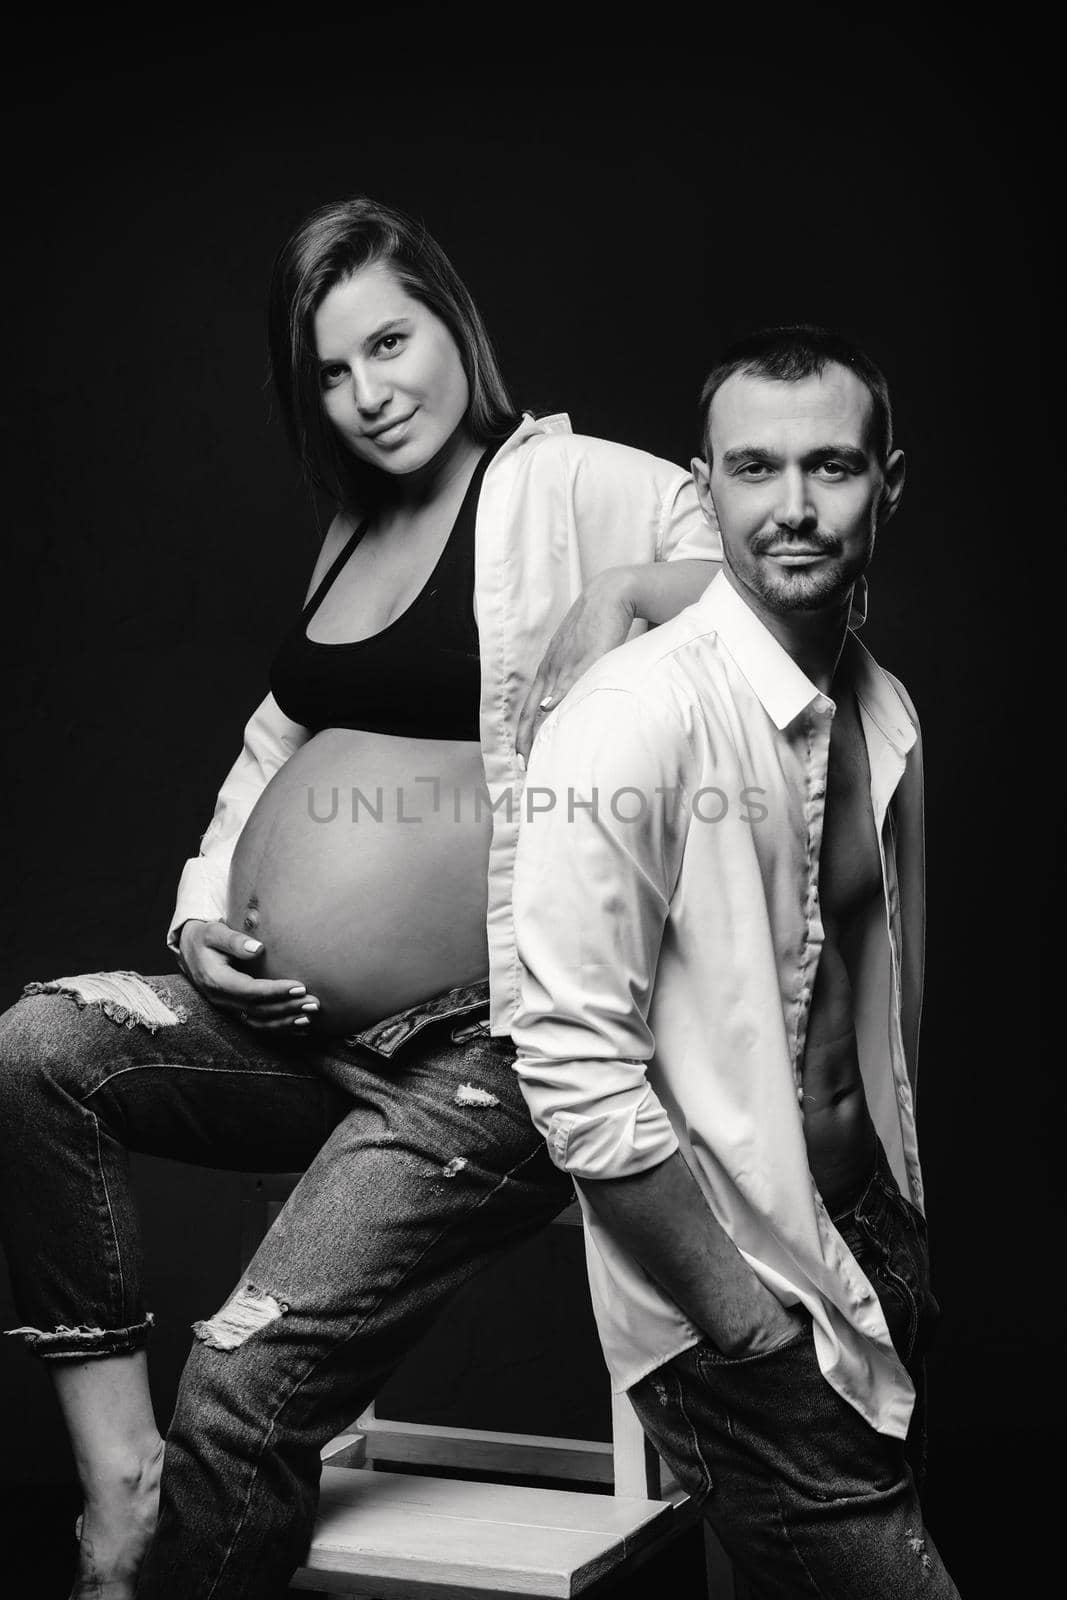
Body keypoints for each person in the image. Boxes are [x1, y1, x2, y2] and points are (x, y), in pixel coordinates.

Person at [0, 196, 722, 1600]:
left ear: (452, 320)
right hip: (298, 1038)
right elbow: (274, 747)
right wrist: (207, 915)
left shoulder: (563, 487)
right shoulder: (347, 534)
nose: (366, 394)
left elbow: (761, 587)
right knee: (33, 1052)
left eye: (388, 342)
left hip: (486, 1056)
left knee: (242, 1384)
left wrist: (627, 588)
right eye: (329, 371)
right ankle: (116, 1478)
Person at [512, 326, 960, 1596]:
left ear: (888, 482)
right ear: (701, 494)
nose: (796, 507)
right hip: (735, 1283)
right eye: (754, 471)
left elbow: (881, 1002)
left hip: (868, 1234)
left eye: (830, 467)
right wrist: (741, 1322)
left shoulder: (885, 711)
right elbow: (570, 1070)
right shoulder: (629, 719)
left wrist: (900, 1226)